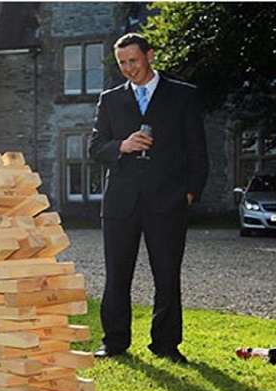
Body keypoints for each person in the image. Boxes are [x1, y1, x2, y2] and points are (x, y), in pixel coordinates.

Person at [89, 33, 208, 364]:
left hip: (169, 200)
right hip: (120, 202)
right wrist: (122, 146)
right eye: (122, 63)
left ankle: (166, 344)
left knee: (167, 275)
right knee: (117, 275)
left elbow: (198, 151)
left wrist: (189, 193)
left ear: (150, 55)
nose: (128, 68)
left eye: (133, 61)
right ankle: (114, 341)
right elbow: (95, 148)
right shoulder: (110, 100)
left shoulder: (183, 95)